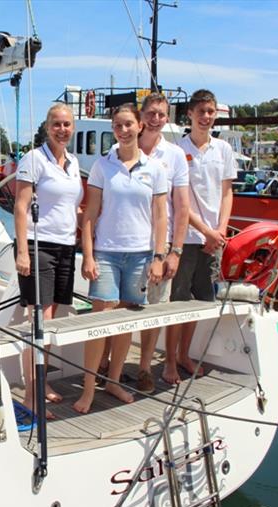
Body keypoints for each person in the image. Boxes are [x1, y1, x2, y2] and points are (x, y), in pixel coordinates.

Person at [74, 104, 168, 414]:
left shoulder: (155, 169)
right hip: (107, 253)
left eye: (128, 124)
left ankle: (113, 381)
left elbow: (160, 216)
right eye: (117, 125)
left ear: (140, 126)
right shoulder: (103, 165)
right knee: (100, 321)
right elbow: (90, 214)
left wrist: (159, 256)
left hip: (140, 254)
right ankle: (89, 388)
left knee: (125, 321)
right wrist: (88, 255)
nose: (123, 130)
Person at [14, 103, 83, 418]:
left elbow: (72, 207)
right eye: (57, 124)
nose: (62, 129)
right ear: (47, 126)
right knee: (39, 322)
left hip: (66, 247)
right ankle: (31, 395)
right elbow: (20, 205)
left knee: (52, 322)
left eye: (67, 124)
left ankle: (41, 384)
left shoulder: (73, 161)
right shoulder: (34, 158)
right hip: (38, 245)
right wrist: (22, 251)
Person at [165, 89, 236, 384]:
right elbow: (178, 201)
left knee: (198, 302)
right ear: (190, 115)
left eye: (211, 112)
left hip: (213, 238)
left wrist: (219, 230)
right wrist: (205, 231)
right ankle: (169, 361)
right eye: (201, 112)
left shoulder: (223, 150)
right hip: (187, 237)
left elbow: (227, 192)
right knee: (178, 302)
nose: (206, 117)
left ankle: (185, 354)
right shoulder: (177, 151)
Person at [136, 93, 190, 393]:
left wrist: (176, 252)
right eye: (152, 113)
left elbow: (182, 207)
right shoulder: (123, 149)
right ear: (142, 115)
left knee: (156, 309)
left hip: (161, 243)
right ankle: (109, 363)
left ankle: (144, 366)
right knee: (124, 306)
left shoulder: (175, 155)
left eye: (162, 114)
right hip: (127, 241)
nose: (157, 119)